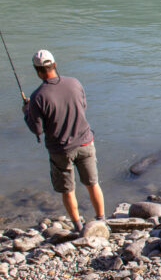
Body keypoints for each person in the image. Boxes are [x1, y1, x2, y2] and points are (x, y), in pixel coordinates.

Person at [22, 49, 105, 234]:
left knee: (68, 190)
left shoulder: (38, 97)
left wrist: (27, 112)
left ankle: (78, 227)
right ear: (55, 65)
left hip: (61, 150)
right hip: (85, 143)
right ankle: (101, 220)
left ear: (37, 70)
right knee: (93, 183)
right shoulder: (74, 83)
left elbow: (37, 129)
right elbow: (83, 106)